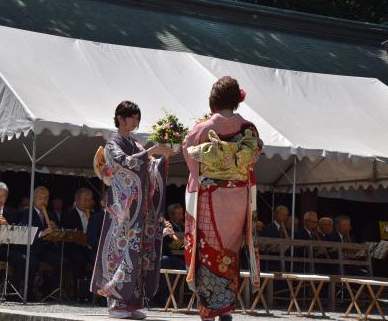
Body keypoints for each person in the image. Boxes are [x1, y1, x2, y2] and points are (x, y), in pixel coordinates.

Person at [183, 76, 263, 321]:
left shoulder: (204, 127)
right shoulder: (249, 129)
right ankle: (227, 306)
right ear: (237, 100)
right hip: (238, 196)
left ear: (214, 100)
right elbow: (254, 155)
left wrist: (201, 174)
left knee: (208, 248)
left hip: (211, 196)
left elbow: (188, 149)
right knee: (231, 248)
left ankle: (210, 308)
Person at [91, 101, 175, 319]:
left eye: (138, 118)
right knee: (121, 252)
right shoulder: (112, 143)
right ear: (120, 118)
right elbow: (124, 162)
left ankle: (130, 303)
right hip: (122, 210)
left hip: (139, 209)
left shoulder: (136, 145)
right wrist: (149, 152)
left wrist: (162, 158)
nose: (136, 122)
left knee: (137, 254)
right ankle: (115, 302)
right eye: (132, 117)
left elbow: (148, 167)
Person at [21, 186, 61, 298]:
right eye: (40, 198)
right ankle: (28, 292)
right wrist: (42, 233)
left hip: (46, 249)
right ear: (34, 199)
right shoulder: (27, 213)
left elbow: (58, 233)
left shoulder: (51, 214)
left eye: (46, 198)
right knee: (32, 262)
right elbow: (24, 232)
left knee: (63, 261)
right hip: (32, 249)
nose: (43, 201)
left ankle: (47, 290)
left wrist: (55, 229)